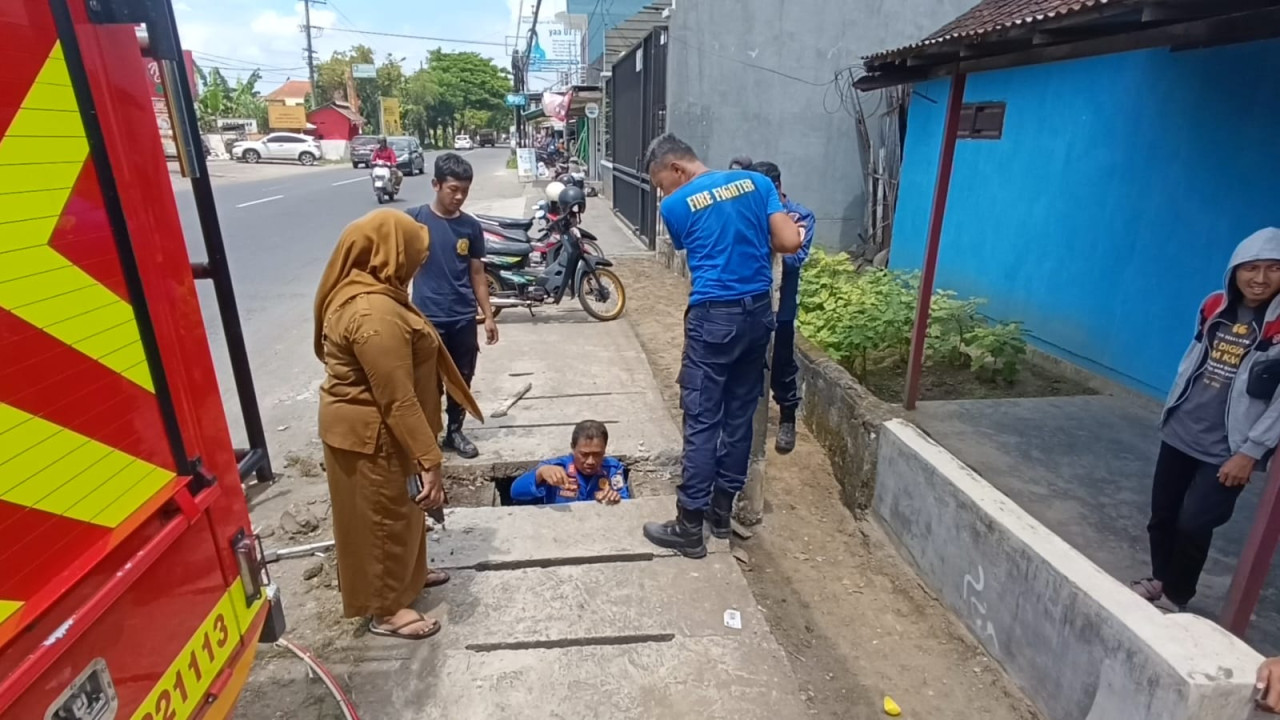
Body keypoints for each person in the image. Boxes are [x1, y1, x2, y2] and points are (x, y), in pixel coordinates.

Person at [314, 209, 482, 640]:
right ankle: (386, 609)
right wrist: (430, 460)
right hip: (371, 437)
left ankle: (409, 576)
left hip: (387, 432)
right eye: (414, 255)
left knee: (405, 508)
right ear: (390, 253)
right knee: (381, 519)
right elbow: (397, 397)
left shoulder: (376, 293)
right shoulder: (373, 314)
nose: (417, 266)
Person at [639, 133, 804, 558]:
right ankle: (721, 514)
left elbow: (693, 244)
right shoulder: (758, 183)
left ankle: (689, 526)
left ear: (676, 169)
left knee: (702, 420)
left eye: (661, 183)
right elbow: (789, 242)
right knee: (739, 417)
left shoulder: (676, 205)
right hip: (758, 315)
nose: (662, 193)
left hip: (713, 318)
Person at [1131, 228, 1280, 612]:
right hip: (1182, 430)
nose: (1260, 278)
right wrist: (1171, 411)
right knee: (1162, 516)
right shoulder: (1213, 305)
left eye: (1273, 268)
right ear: (1235, 270)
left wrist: (1251, 452)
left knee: (1195, 523)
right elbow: (1193, 360)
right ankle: (1161, 579)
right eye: (1251, 267)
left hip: (1229, 448)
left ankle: (1176, 596)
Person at [408, 153, 498, 459]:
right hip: (426, 318)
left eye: (464, 191)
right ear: (436, 184)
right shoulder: (414, 220)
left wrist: (488, 316)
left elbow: (477, 273)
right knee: (427, 381)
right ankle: (428, 436)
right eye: (453, 189)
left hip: (461, 317)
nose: (459, 196)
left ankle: (455, 431)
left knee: (461, 378)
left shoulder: (470, 227)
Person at [748, 161, 816, 454]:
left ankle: (787, 418)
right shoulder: (747, 213)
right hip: (750, 305)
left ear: (776, 188)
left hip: (782, 307)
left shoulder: (798, 216)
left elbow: (794, 258)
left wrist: (768, 240)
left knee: (782, 365)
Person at [509, 420, 631, 505]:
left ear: (605, 449)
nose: (591, 461)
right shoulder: (555, 468)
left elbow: (626, 502)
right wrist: (539, 474)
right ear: (573, 448)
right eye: (584, 454)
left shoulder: (612, 469)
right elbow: (515, 492)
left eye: (597, 454)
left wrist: (614, 499)